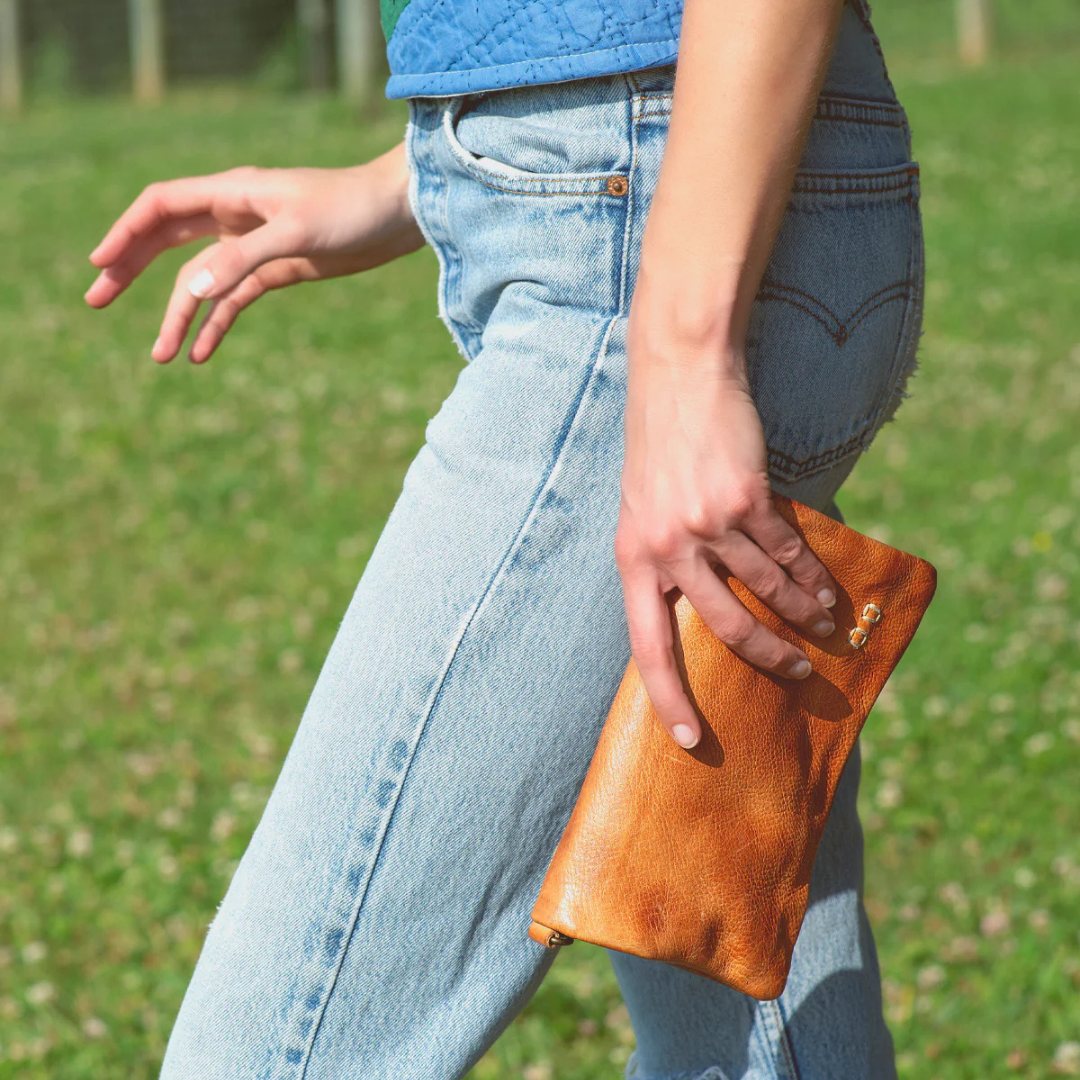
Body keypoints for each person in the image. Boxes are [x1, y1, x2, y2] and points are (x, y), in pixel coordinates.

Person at [85, 0, 923, 1075]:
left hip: (659, 232)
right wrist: (422, 172)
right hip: (650, 178)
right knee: (741, 1003)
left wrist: (681, 355)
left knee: (272, 1050)